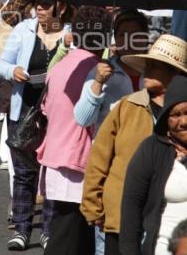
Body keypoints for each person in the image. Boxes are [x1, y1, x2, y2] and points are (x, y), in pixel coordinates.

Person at [80, 34, 187, 255]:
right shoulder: (127, 106)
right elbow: (100, 156)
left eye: (154, 66)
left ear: (174, 72)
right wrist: (93, 204)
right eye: (146, 64)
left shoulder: (184, 117)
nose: (146, 70)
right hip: (121, 217)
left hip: (171, 225)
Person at [0, 0, 72, 251]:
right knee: (24, 174)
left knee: (52, 173)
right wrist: (12, 71)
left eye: (46, 4)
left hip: (58, 115)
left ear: (59, 7)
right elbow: (0, 63)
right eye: (37, 4)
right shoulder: (23, 29)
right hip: (24, 111)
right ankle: (21, 229)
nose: (39, 8)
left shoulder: (71, 35)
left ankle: (49, 231)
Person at [37, 6, 112, 255]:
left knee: (70, 232)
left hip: (55, 154)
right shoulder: (97, 68)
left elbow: (46, 109)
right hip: (80, 159)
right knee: (69, 236)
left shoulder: (60, 66)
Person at [120, 74, 187, 255]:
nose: (183, 122)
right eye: (175, 115)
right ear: (166, 119)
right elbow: (132, 206)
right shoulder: (152, 149)